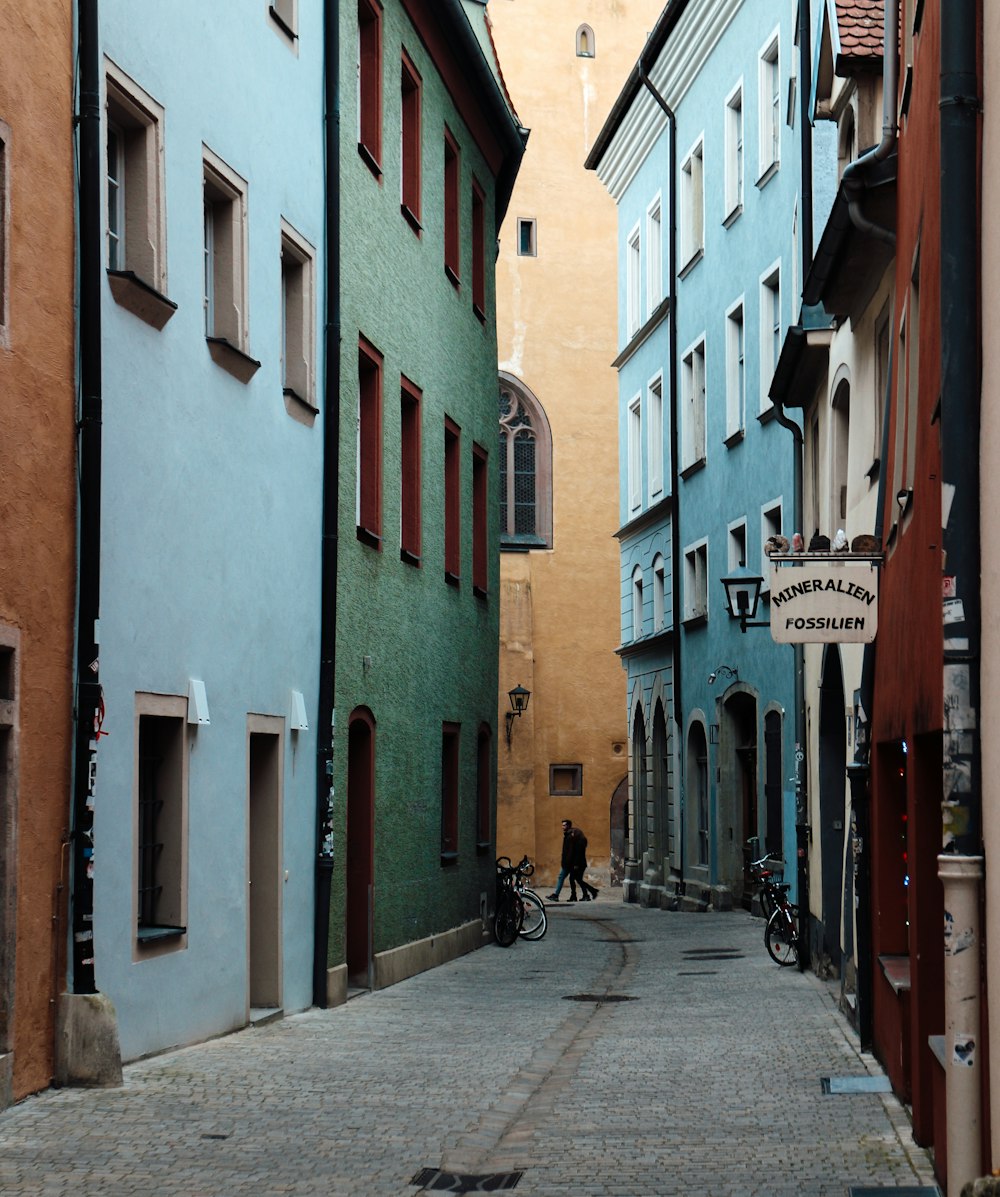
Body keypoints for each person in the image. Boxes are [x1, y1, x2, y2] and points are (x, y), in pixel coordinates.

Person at [547, 819, 598, 902]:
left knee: (565, 878)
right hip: (572, 863)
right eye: (562, 825)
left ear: (568, 826)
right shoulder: (571, 835)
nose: (562, 827)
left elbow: (571, 852)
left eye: (564, 825)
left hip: (570, 863)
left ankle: (557, 895)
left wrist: (573, 864)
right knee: (574, 879)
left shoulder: (571, 836)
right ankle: (580, 895)